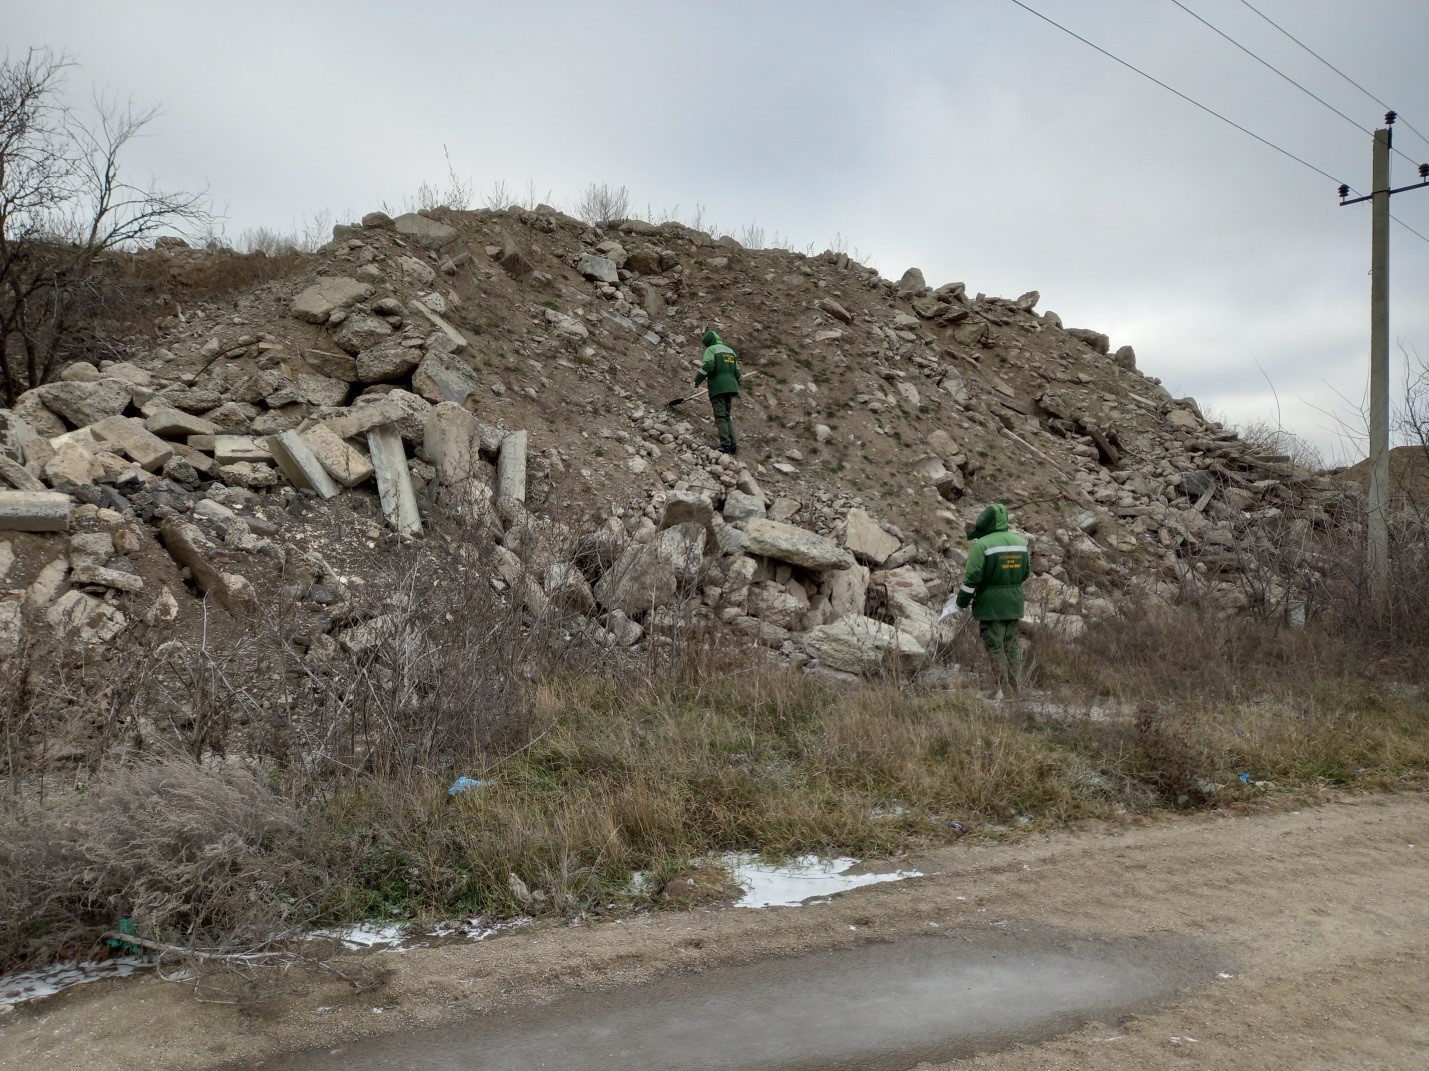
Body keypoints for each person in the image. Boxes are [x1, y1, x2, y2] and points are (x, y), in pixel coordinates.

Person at [953, 503, 1031, 697]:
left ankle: (1002, 691)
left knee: (995, 647)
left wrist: (960, 602)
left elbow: (972, 579)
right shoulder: (1020, 543)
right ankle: (1015, 691)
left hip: (991, 606)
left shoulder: (982, 545)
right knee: (1011, 646)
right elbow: (1026, 573)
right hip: (1014, 603)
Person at [694, 330, 741, 454]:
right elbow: (738, 372)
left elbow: (708, 365)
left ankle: (725, 445)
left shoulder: (711, 350)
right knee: (726, 415)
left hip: (718, 387)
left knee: (720, 416)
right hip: (731, 387)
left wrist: (698, 380)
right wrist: (735, 382)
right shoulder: (730, 351)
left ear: (709, 341)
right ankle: (733, 445)